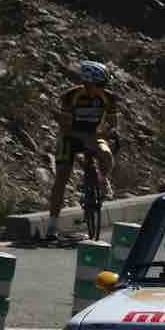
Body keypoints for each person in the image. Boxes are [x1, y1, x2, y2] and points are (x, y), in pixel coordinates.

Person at [48, 60, 119, 241]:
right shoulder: (71, 96)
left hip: (94, 135)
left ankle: (102, 181)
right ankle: (52, 227)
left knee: (106, 154)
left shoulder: (109, 97)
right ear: (87, 83)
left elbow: (113, 123)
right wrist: (83, 137)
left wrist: (109, 133)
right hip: (70, 137)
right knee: (61, 178)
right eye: (99, 85)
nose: (102, 88)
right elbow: (64, 124)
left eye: (104, 84)